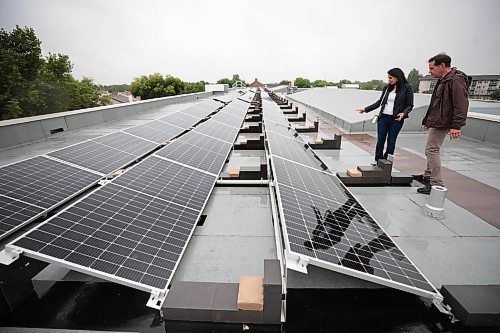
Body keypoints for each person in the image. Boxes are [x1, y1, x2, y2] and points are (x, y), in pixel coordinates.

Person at [416, 54, 471, 195]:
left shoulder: (455, 80)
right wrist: (427, 121)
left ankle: (435, 184)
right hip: (439, 120)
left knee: (431, 149)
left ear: (442, 66)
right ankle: (428, 177)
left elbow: (461, 104)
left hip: (446, 122)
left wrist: (457, 126)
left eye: (431, 68)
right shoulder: (443, 80)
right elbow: (435, 103)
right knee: (431, 148)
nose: (429, 71)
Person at [356, 68, 414, 165]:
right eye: (388, 78)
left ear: (397, 77)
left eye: (390, 78)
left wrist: (404, 113)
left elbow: (410, 105)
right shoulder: (387, 88)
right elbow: (379, 102)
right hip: (383, 117)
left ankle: (387, 162)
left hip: (396, 119)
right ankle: (377, 160)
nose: (389, 80)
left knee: (391, 141)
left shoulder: (407, 87)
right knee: (380, 140)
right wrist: (365, 109)